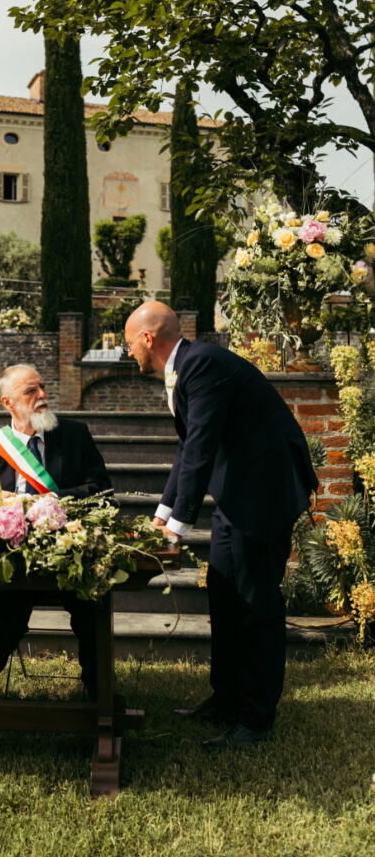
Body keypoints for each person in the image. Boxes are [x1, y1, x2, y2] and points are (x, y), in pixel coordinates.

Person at [124, 301, 318, 750]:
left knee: (257, 604)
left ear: (148, 339)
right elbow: (187, 451)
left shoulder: (203, 364)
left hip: (265, 494)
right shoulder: (188, 366)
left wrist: (176, 530)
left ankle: (255, 719)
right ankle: (226, 698)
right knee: (224, 594)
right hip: (238, 495)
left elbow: (201, 450)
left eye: (129, 341)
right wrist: (159, 517)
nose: (127, 350)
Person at [0, 363, 112, 701]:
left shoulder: (75, 436)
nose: (42, 396)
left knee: (90, 609)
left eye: (42, 388)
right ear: (7, 402)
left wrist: (48, 500)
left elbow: (101, 491)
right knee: (3, 615)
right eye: (30, 391)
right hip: (13, 562)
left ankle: (99, 689)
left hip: (73, 555)